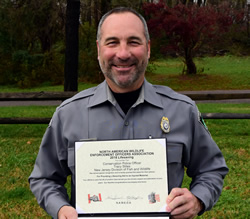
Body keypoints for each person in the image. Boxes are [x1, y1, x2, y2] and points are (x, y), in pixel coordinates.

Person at [29, 7, 228, 219]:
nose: (123, 54)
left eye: (133, 42)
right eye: (112, 42)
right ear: (99, 49)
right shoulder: (68, 114)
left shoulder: (182, 110)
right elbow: (44, 178)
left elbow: (211, 169)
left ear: (148, 48)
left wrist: (197, 199)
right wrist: (60, 208)